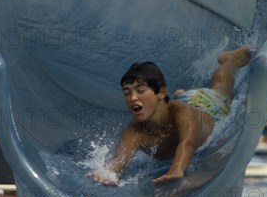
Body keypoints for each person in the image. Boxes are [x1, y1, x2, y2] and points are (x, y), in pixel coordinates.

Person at [90, 46, 250, 185]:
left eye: (140, 91)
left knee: (222, 88)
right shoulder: (135, 130)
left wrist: (176, 169)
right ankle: (181, 94)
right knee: (182, 98)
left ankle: (229, 60)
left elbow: (187, 143)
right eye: (127, 93)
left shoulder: (182, 112)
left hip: (208, 106)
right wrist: (107, 173)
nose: (133, 98)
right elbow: (120, 159)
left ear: (160, 92)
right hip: (183, 102)